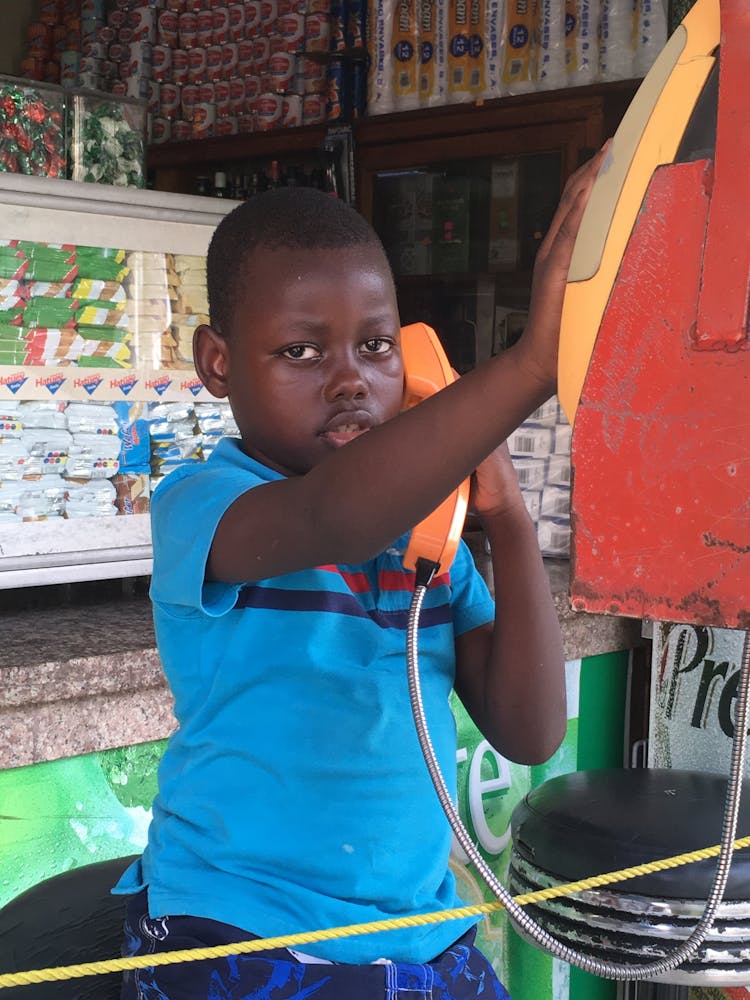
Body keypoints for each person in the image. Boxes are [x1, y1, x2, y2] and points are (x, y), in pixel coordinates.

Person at [115, 145, 608, 999]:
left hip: (413, 930)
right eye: (303, 353)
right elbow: (333, 517)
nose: (352, 381)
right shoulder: (204, 503)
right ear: (218, 361)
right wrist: (530, 366)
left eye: (378, 346)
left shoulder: (426, 537)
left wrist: (506, 517)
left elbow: (529, 731)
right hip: (240, 929)